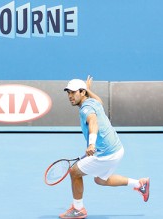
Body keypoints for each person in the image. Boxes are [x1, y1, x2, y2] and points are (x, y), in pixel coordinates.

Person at [60, 76, 149, 219]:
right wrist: (89, 90)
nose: (70, 96)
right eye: (68, 93)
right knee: (101, 180)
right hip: (117, 149)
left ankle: (78, 209)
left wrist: (91, 143)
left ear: (82, 93)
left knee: (74, 172)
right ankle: (140, 184)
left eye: (73, 92)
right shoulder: (93, 101)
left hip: (106, 153)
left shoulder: (85, 109)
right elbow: (100, 102)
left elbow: (93, 122)